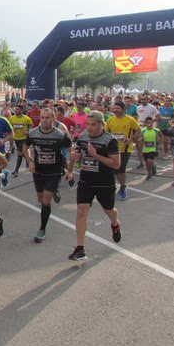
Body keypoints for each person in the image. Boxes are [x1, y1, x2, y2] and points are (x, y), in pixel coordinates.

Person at [69, 111, 122, 261]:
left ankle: (115, 223)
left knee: (108, 210)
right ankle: (80, 248)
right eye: (88, 124)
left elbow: (116, 164)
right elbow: (77, 151)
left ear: (101, 124)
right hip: (86, 180)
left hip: (104, 182)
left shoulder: (109, 140)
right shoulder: (84, 136)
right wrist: (72, 165)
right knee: (81, 211)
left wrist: (96, 155)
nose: (90, 128)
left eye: (93, 125)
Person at [23, 108, 72, 243]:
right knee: (40, 199)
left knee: (45, 201)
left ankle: (42, 228)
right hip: (38, 171)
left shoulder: (60, 135)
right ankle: (53, 190)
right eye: (42, 118)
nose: (44, 120)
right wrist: (30, 161)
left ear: (53, 119)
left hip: (54, 171)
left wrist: (70, 169)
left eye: (47, 118)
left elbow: (71, 149)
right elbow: (25, 147)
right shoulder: (33, 133)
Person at [104, 102, 140, 201]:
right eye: (114, 108)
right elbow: (105, 132)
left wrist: (131, 139)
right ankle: (122, 185)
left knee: (121, 169)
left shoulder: (130, 120)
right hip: (113, 149)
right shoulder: (110, 120)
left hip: (125, 148)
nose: (115, 110)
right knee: (115, 169)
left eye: (118, 108)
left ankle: (123, 187)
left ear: (123, 109)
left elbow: (138, 131)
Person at [8, 104, 33, 176]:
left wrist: (28, 131)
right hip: (16, 138)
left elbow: (31, 125)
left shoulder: (26, 118)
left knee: (19, 153)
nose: (16, 111)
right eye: (15, 109)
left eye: (18, 109)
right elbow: (10, 127)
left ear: (22, 110)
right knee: (23, 153)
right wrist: (12, 130)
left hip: (24, 138)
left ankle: (16, 170)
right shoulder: (12, 118)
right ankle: (31, 162)